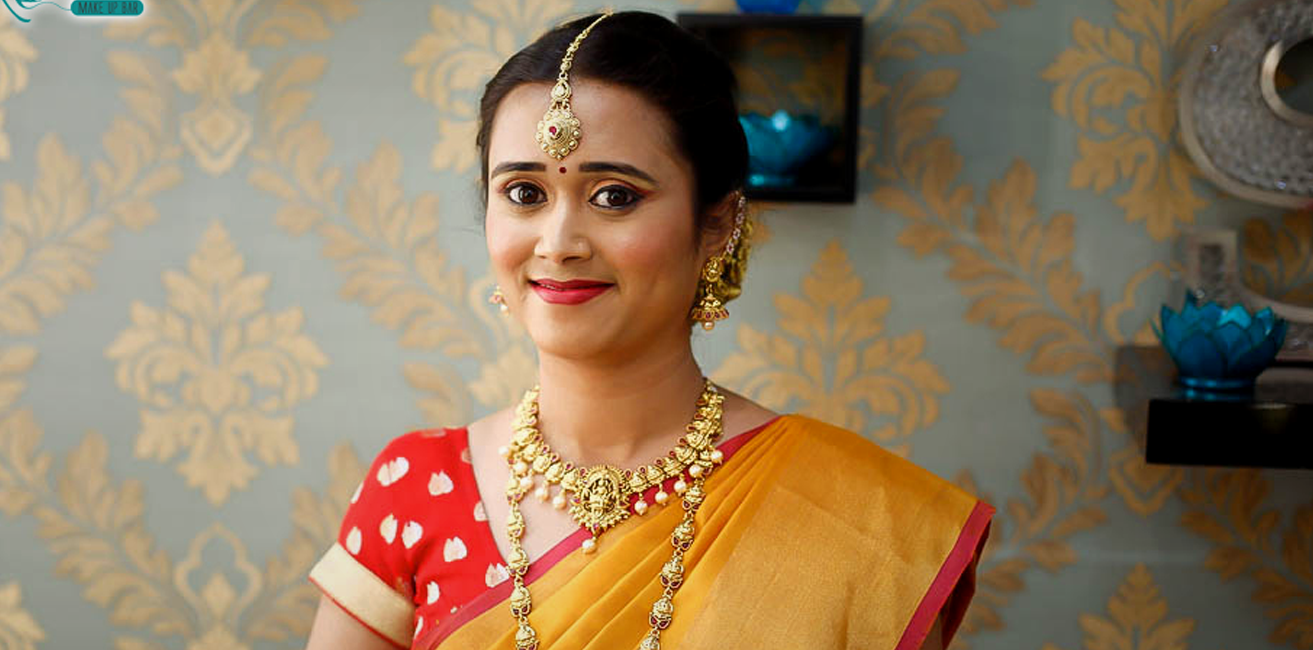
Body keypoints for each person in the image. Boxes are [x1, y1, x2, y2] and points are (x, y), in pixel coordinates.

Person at [304, 10, 992, 650]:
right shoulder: (416, 486)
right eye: (524, 194)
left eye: (615, 197)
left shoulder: (856, 520)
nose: (559, 241)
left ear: (716, 224)